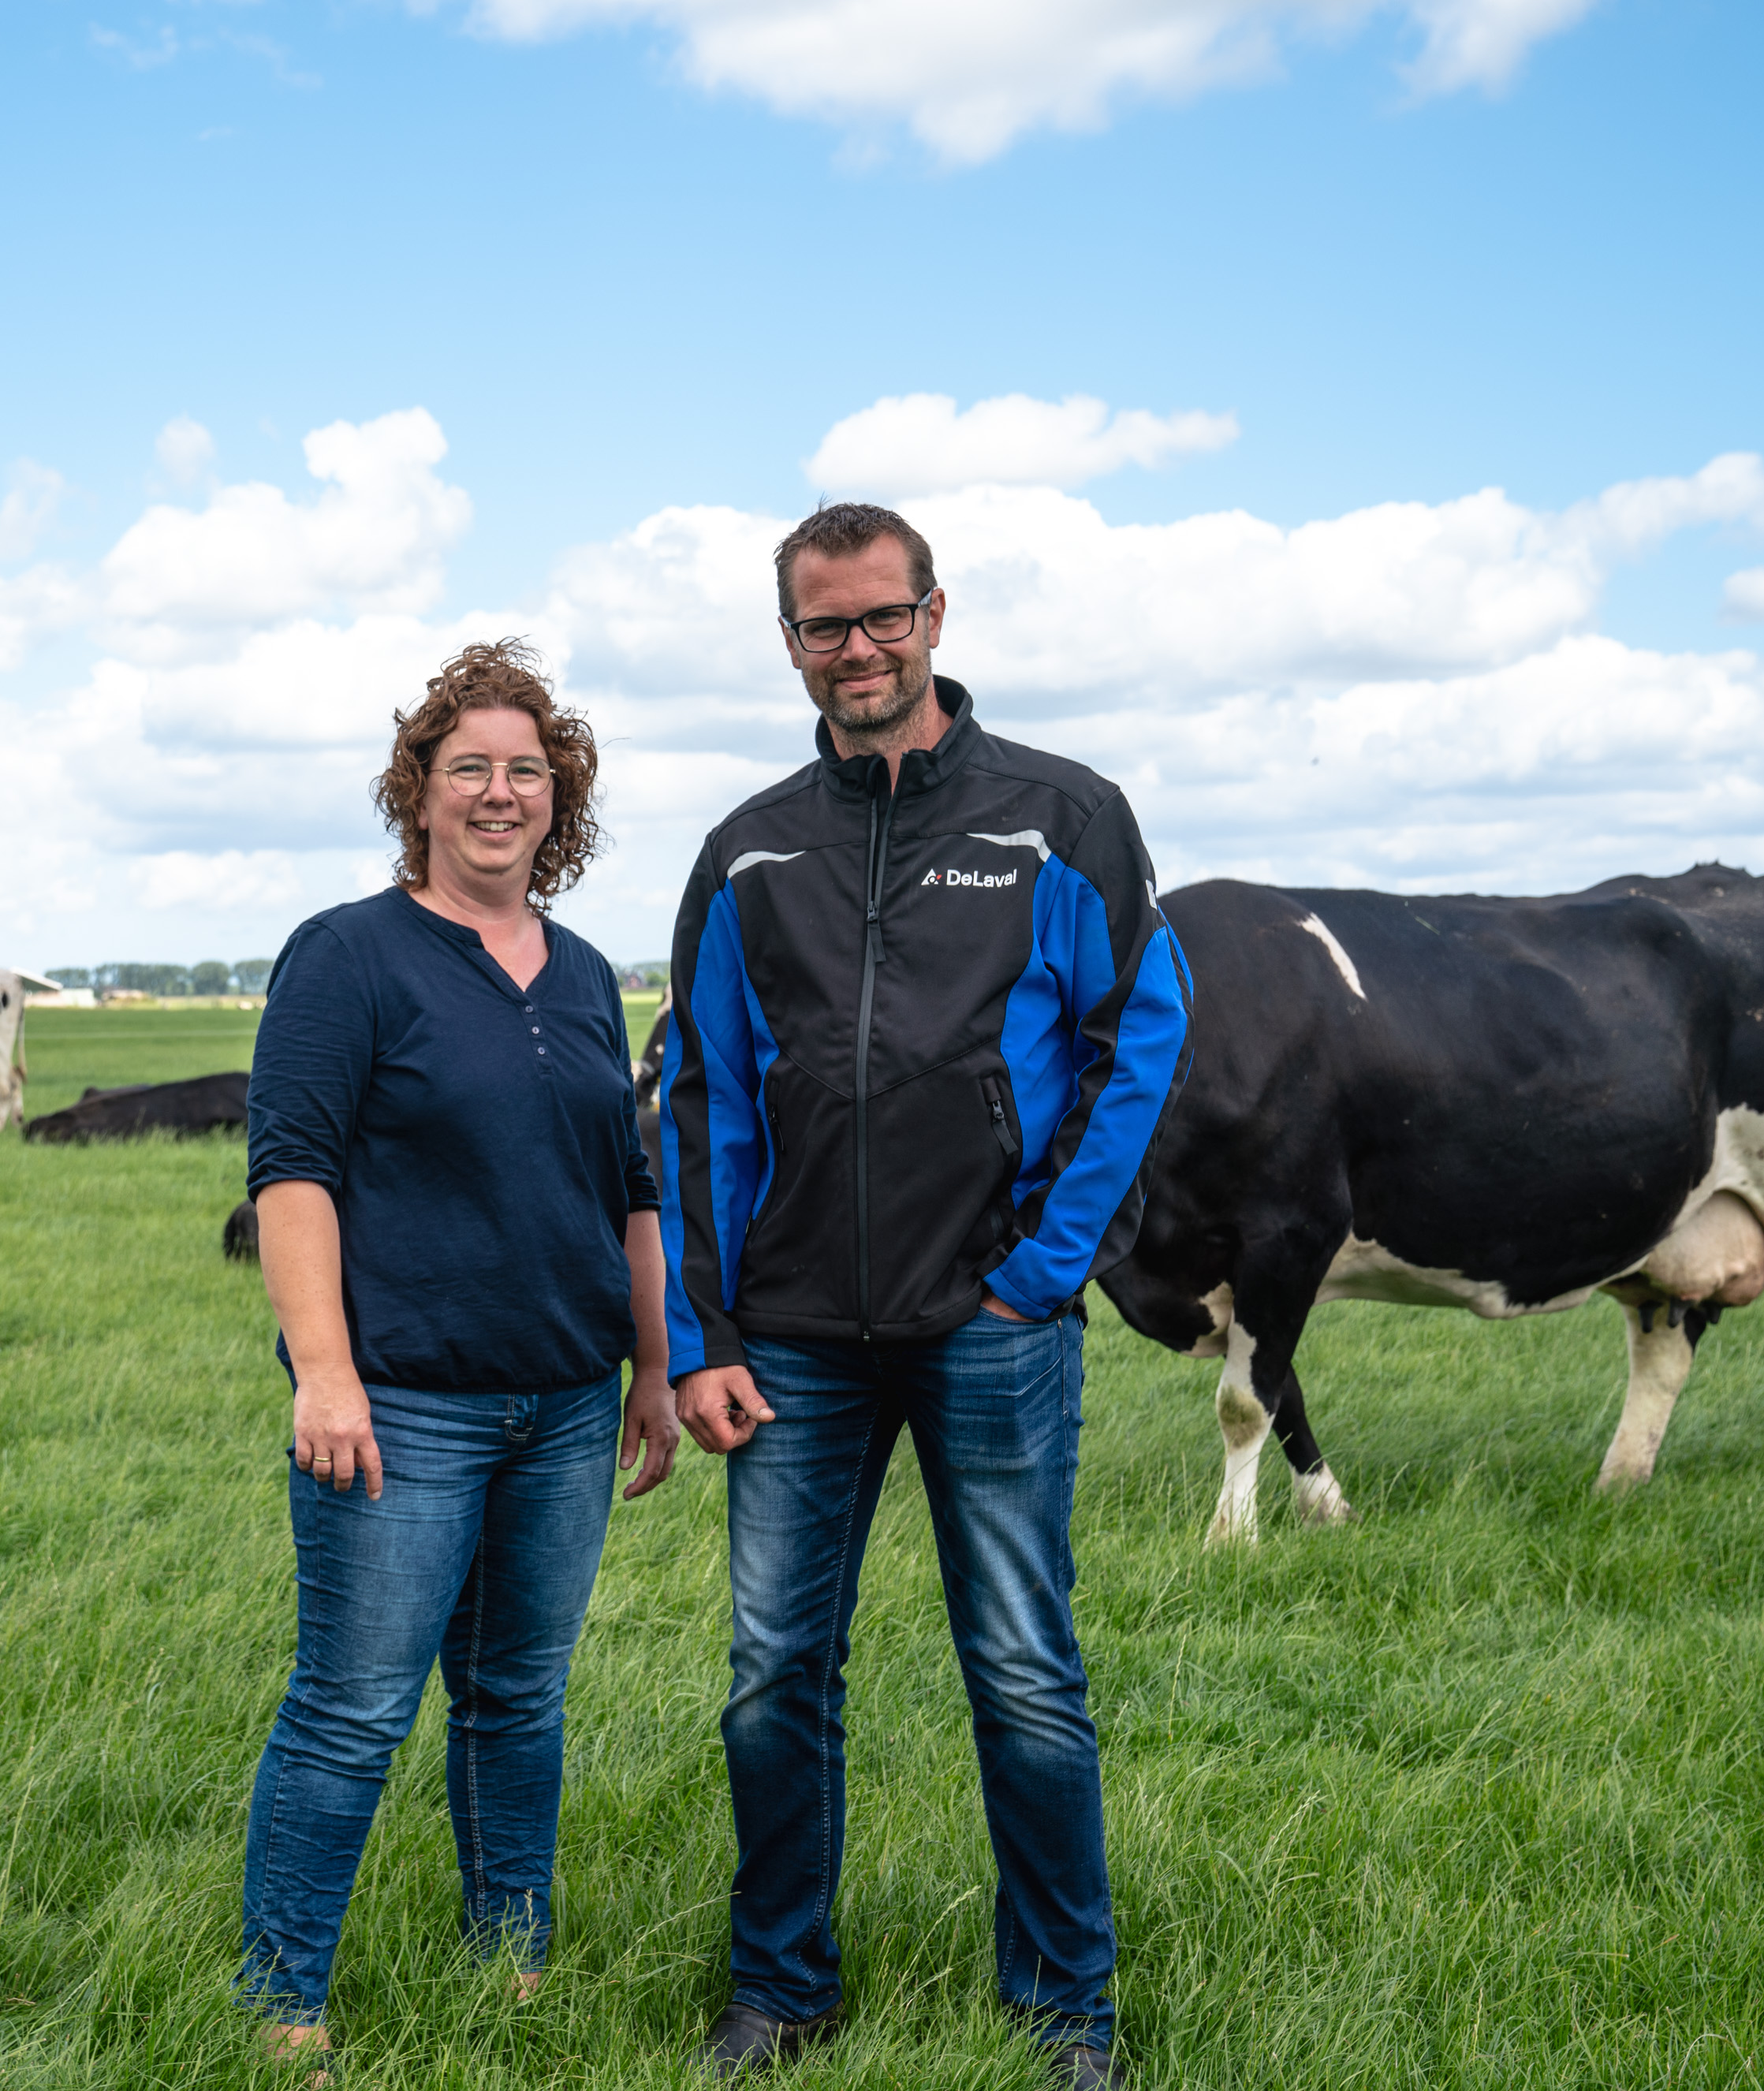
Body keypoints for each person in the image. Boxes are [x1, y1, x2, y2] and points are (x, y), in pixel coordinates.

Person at [659, 505, 1192, 2087]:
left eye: (881, 616)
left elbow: (1137, 1038)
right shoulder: (747, 850)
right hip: (794, 1338)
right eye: (824, 626)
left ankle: (1062, 2011)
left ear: (934, 614)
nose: (857, 648)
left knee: (1022, 1671)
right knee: (770, 1678)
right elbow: (698, 1099)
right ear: (789, 643)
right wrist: (703, 1334)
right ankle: (778, 1991)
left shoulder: (1059, 817)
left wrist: (1038, 1275)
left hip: (989, 1328)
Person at [240, 638, 681, 2071]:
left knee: (516, 1700)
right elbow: (292, 1171)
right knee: (353, 1706)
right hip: (407, 1407)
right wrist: (325, 1369)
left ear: (564, 802)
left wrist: (654, 1371)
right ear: (418, 791)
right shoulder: (349, 956)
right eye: (470, 768)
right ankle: (283, 2000)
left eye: (528, 772)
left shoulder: (582, 975)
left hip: (563, 1405)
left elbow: (629, 1187)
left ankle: (512, 1967)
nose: (501, 793)